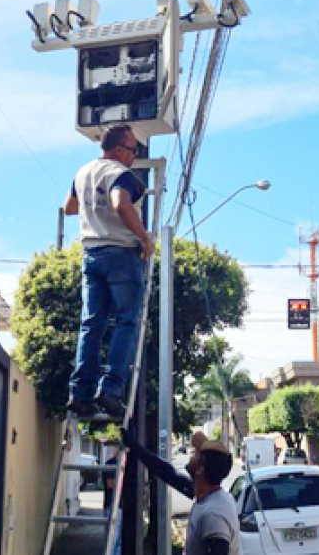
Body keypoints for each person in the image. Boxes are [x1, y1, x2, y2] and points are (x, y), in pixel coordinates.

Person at [64, 125, 155, 417]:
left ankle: (80, 393)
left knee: (91, 324)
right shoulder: (121, 174)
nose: (134, 154)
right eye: (132, 149)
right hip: (121, 253)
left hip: (91, 253)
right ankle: (111, 390)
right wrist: (144, 237)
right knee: (127, 320)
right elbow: (120, 203)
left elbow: (69, 207)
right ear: (118, 150)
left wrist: (94, 210)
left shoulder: (82, 173)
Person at [125, 429, 240, 555]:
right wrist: (134, 446)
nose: (191, 454)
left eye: (196, 454)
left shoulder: (213, 514)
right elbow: (168, 473)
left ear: (200, 470)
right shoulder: (210, 495)